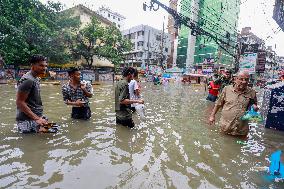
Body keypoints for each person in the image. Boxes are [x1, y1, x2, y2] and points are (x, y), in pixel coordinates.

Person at [209, 71, 258, 136]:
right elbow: (218, 104)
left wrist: (254, 110)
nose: (244, 82)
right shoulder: (226, 89)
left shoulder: (252, 92)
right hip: (225, 127)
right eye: (241, 79)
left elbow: (253, 110)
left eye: (246, 79)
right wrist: (212, 116)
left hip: (241, 130)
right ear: (235, 79)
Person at [16, 54, 48, 133]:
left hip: (36, 117)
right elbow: (19, 102)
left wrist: (38, 118)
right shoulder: (28, 80)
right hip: (27, 121)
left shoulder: (36, 77)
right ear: (32, 65)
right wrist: (37, 119)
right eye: (41, 65)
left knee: (51, 134)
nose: (44, 68)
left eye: (45, 66)